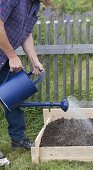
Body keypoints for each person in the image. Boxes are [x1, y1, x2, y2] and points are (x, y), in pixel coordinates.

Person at [0, 0, 51, 166]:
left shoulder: (34, 5)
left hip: (5, 58)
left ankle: (18, 139)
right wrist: (12, 56)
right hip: (7, 55)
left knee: (16, 96)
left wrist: (34, 60)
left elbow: (26, 33)